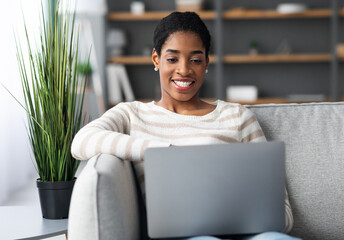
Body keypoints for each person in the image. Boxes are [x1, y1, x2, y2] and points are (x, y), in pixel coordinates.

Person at [71, 11, 300, 240]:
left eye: (195, 59)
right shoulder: (132, 114)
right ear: (156, 59)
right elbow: (81, 141)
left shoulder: (238, 116)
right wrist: (163, 151)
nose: (184, 70)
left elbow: (284, 214)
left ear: (206, 63)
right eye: (172, 59)